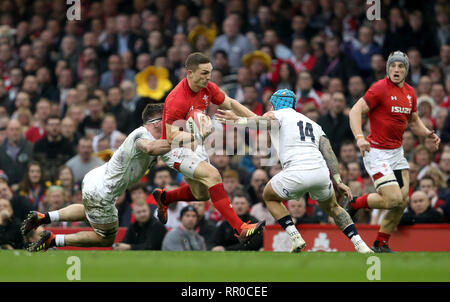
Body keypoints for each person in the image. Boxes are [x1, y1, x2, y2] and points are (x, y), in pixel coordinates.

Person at [216, 89, 372, 253]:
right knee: (334, 208)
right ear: (294, 104)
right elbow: (329, 152)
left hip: (296, 171)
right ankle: (360, 245)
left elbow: (263, 122)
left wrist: (238, 121)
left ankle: (295, 237)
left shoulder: (276, 115)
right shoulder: (313, 124)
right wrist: (339, 181)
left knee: (269, 196)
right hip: (320, 172)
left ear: (273, 104)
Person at [21, 104, 171, 252]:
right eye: (166, 120)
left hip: (94, 179)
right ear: (157, 122)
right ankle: (53, 240)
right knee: (105, 238)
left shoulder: (153, 138)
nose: (169, 124)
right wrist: (178, 141)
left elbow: (161, 151)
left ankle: (43, 217)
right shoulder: (142, 134)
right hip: (104, 192)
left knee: (89, 212)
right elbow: (150, 148)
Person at [152, 52, 265, 243]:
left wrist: (257, 120)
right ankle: (241, 228)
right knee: (213, 176)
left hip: (195, 144)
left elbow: (230, 103)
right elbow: (171, 136)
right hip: (175, 148)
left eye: (210, 72)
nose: (208, 77)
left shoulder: (207, 87)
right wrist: (197, 134)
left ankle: (165, 198)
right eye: (204, 73)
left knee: (202, 194)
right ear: (190, 73)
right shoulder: (177, 99)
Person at [346, 51, 440, 252]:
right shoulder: (379, 88)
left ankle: (381, 243)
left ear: (406, 69)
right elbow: (355, 110)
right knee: (393, 199)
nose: (396, 70)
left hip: (396, 153)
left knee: (402, 201)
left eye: (401, 66)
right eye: (393, 66)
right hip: (377, 152)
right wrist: (360, 138)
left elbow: (413, 121)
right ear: (388, 68)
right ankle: (355, 203)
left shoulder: (410, 93)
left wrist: (428, 133)